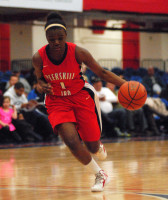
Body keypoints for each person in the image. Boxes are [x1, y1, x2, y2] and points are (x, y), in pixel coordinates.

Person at [32, 12, 126, 192]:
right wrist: (42, 86)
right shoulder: (39, 57)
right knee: (71, 141)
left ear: (66, 36)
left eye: (60, 38)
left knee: (92, 145)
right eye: (52, 39)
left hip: (81, 96)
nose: (56, 42)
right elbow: (40, 79)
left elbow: (103, 73)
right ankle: (100, 174)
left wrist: (126, 84)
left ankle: (97, 145)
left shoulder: (78, 52)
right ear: (47, 38)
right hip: (57, 101)